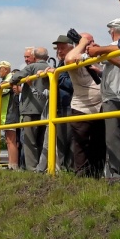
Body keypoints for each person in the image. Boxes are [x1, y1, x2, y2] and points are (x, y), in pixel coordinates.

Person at [87, 18, 120, 181]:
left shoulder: (112, 48)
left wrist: (98, 51)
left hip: (114, 96)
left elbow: (118, 62)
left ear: (113, 31)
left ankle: (119, 174)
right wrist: (101, 72)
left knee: (114, 137)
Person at [65, 32, 105, 177]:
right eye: (88, 41)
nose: (91, 43)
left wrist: (99, 50)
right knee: (82, 145)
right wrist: (82, 44)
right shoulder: (75, 57)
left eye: (92, 41)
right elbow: (69, 59)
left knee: (99, 144)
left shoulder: (97, 56)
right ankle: (81, 177)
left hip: (101, 107)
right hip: (82, 108)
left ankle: (97, 176)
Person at [37, 36, 76, 172]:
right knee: (56, 141)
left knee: (65, 141)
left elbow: (73, 85)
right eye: (58, 48)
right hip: (58, 107)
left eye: (63, 48)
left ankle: (63, 171)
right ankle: (53, 170)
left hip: (68, 105)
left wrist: (57, 76)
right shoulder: (61, 64)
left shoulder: (73, 62)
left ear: (72, 48)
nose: (59, 51)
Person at [10, 47, 50, 171]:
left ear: (35, 57)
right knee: (42, 140)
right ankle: (42, 167)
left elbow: (15, 77)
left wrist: (14, 81)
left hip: (30, 109)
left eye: (27, 57)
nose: (26, 59)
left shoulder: (31, 68)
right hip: (46, 109)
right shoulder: (50, 67)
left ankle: (32, 168)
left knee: (29, 141)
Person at [0, 61, 20, 169]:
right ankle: (11, 164)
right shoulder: (5, 80)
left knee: (11, 140)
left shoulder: (10, 77)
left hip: (10, 112)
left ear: (6, 69)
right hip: (7, 113)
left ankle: (13, 165)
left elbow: (3, 91)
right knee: (9, 140)